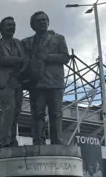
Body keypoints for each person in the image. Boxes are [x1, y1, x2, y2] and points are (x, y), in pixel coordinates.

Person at [22, 11, 70, 145]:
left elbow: (65, 57)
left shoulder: (58, 38)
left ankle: (57, 140)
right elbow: (23, 61)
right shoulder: (26, 42)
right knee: (37, 113)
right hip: (36, 83)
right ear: (33, 25)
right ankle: (38, 140)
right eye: (39, 21)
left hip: (55, 82)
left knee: (56, 114)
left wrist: (47, 57)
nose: (43, 22)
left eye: (45, 20)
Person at [0, 16, 26, 148]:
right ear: (1, 29)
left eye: (13, 25)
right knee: (8, 110)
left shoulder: (18, 43)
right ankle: (4, 141)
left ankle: (12, 139)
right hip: (4, 82)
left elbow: (25, 59)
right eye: (8, 25)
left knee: (16, 112)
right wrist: (18, 60)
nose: (11, 27)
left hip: (17, 81)